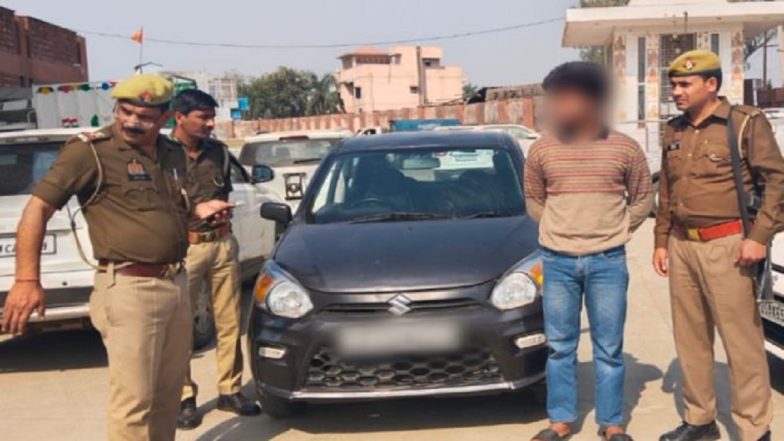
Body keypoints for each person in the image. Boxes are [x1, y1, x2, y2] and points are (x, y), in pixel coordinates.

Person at [0, 74, 233, 441]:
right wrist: (27, 280)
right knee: (134, 404)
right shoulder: (91, 150)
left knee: (167, 398)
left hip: (175, 283)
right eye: (125, 111)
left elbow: (168, 209)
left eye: (143, 116)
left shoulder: (171, 154)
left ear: (165, 117)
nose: (131, 122)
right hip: (129, 288)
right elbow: (37, 209)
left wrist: (199, 212)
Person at [653, 49, 781, 441]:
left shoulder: (744, 123)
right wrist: (661, 240)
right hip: (682, 245)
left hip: (729, 246)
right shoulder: (673, 129)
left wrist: (759, 237)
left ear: (712, 84)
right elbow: (668, 191)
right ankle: (700, 419)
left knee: (741, 342)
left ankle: (754, 427)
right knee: (690, 339)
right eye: (673, 84)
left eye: (685, 84)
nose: (677, 91)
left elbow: (777, 181)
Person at [525, 61, 652, 441]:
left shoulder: (625, 149)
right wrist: (559, 231)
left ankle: (612, 424)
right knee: (561, 347)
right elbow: (534, 200)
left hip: (607, 261)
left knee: (609, 347)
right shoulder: (542, 149)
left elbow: (643, 198)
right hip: (557, 261)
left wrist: (613, 231)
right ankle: (561, 420)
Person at [167, 89, 260, 430]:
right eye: (202, 118)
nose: (210, 123)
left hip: (222, 245)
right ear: (180, 117)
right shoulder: (162, 155)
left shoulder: (218, 152)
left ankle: (230, 389)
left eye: (211, 117)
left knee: (230, 321)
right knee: (179, 328)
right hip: (184, 249)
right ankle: (183, 396)